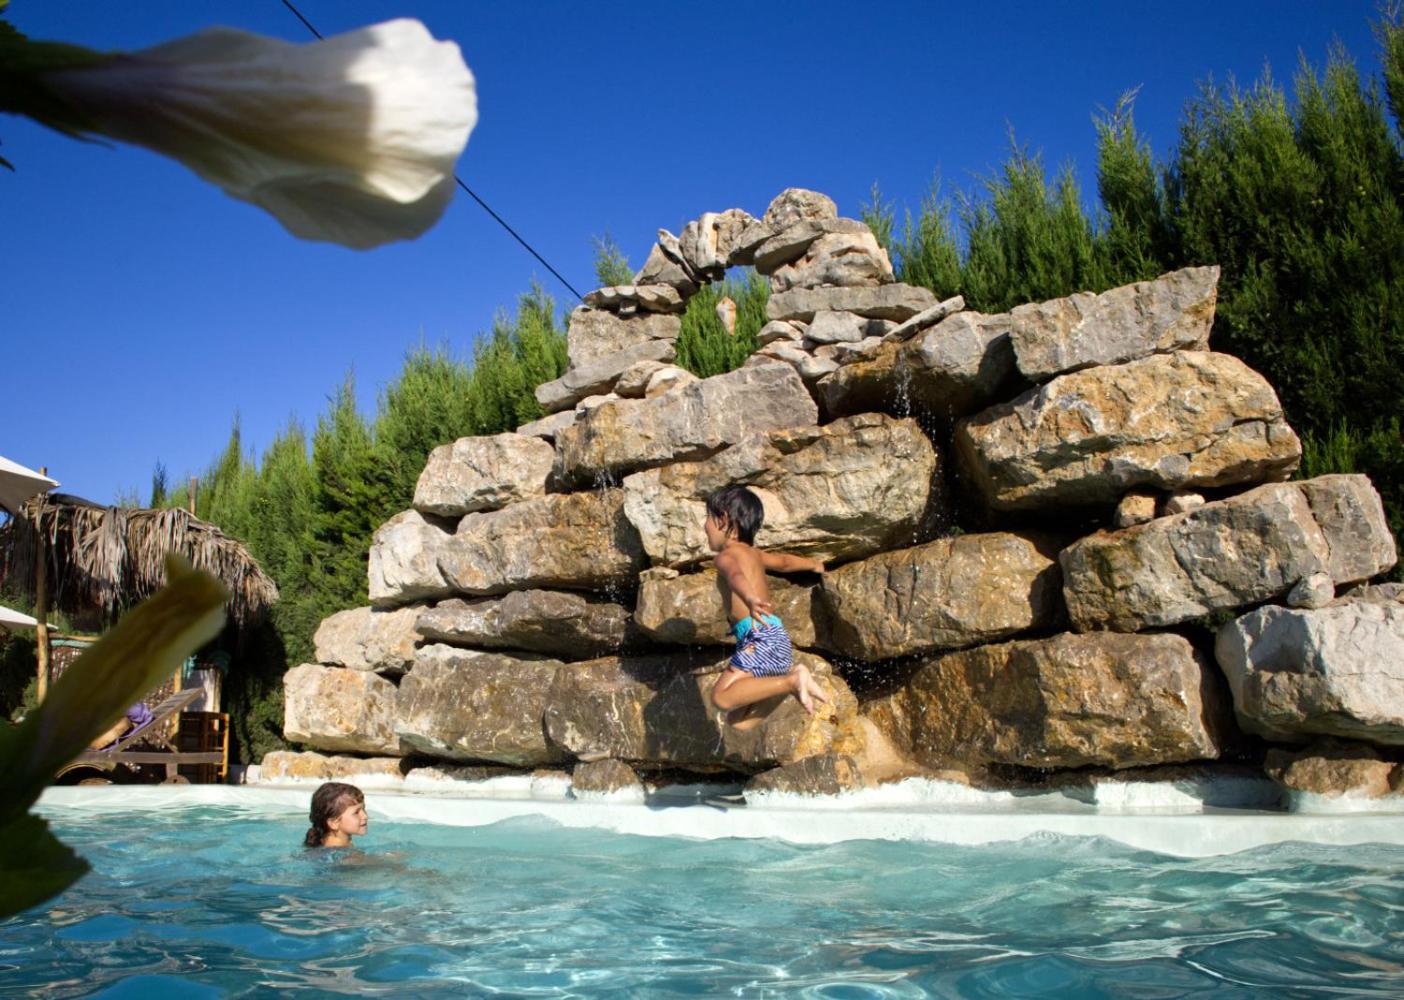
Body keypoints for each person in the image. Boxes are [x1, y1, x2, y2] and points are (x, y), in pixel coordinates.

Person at [704, 485, 830, 726]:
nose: (704, 526)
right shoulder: (755, 554)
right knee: (738, 722)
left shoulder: (725, 556)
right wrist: (814, 564)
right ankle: (790, 682)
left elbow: (735, 575)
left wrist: (750, 598)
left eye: (707, 518)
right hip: (777, 639)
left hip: (759, 638)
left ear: (723, 520)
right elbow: (784, 562)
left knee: (721, 697)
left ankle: (792, 681)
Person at [304, 781, 368, 848]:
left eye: (363, 809)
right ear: (334, 823)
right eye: (356, 812)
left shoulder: (327, 847)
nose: (365, 816)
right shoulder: (343, 853)